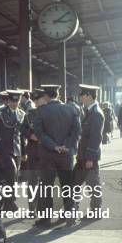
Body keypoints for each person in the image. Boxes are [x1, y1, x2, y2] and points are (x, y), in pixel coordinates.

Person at [33, 84, 81, 227]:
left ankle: (45, 219)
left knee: (46, 186)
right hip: (66, 155)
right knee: (67, 185)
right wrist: (65, 145)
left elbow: (39, 133)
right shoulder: (72, 109)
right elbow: (77, 131)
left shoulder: (41, 111)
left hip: (48, 155)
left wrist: (54, 146)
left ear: (46, 96)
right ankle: (70, 217)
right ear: (58, 94)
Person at [0, 90, 29, 211]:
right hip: (3, 148)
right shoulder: (0, 113)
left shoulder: (21, 114)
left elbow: (22, 134)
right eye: (13, 100)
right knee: (12, 172)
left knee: (13, 176)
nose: (15, 103)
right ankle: (11, 202)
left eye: (17, 101)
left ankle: (7, 203)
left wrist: (25, 152)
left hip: (17, 149)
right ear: (8, 100)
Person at [69, 85, 104, 225]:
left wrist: (89, 158)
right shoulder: (90, 111)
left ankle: (94, 211)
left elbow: (96, 138)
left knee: (90, 185)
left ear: (89, 96)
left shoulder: (96, 113)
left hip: (89, 158)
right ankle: (77, 210)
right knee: (82, 184)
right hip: (84, 156)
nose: (80, 98)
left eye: (82, 95)